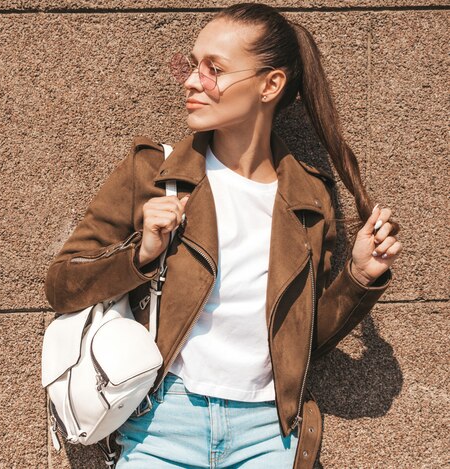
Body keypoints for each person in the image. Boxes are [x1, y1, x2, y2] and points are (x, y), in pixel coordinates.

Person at [44, 2, 403, 468]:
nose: (193, 81)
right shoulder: (153, 172)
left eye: (214, 69)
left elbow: (302, 342)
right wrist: (142, 253)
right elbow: (61, 285)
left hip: (267, 436)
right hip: (161, 427)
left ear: (270, 85)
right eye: (193, 66)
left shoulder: (309, 198)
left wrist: (357, 277)